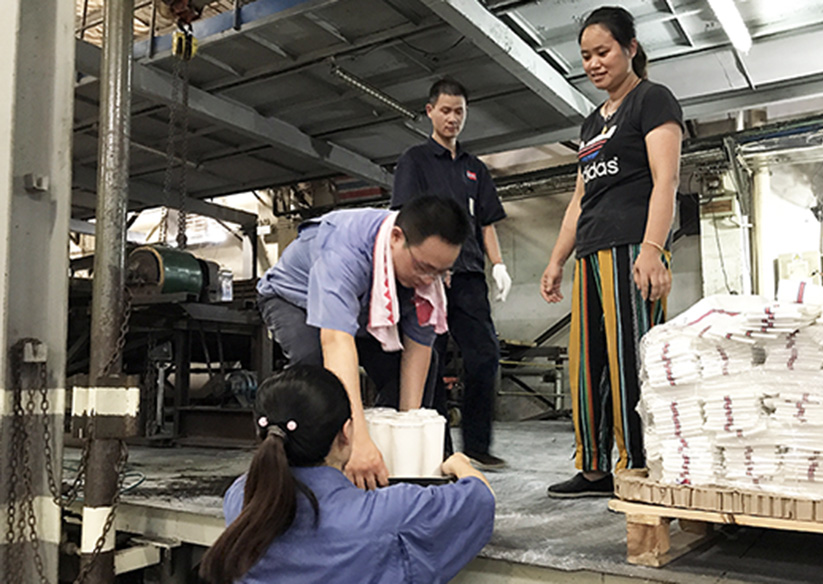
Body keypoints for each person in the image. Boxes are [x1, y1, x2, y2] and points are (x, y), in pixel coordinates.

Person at [540, 6, 683, 498]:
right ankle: (595, 467)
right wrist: (557, 259)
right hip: (591, 250)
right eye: (586, 56)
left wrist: (653, 248)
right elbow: (580, 198)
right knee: (587, 363)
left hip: (633, 247)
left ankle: (637, 465)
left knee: (631, 359)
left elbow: (666, 179)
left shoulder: (652, 99)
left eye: (603, 52)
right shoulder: (590, 123)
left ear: (630, 48)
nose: (594, 63)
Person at [199, 364, 495, 584]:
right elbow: (481, 499)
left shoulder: (240, 498)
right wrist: (459, 464)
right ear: (346, 433)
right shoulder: (388, 513)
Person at [256, 197, 469, 490]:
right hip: (294, 299)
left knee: (425, 365)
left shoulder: (425, 278)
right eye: (423, 267)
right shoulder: (344, 250)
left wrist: (404, 436)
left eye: (440, 272)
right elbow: (336, 343)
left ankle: (377, 465)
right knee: (316, 371)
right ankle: (318, 469)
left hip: (360, 310)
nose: (428, 280)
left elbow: (418, 350)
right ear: (396, 238)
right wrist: (357, 440)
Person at [391, 78, 511, 470]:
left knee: (485, 355)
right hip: (428, 278)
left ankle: (477, 446)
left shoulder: (475, 169)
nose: (453, 118)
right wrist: (425, 267)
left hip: (469, 277)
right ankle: (439, 448)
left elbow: (486, 222)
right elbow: (405, 216)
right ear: (430, 112)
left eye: (459, 111)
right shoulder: (415, 161)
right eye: (445, 110)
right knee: (431, 361)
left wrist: (498, 264)